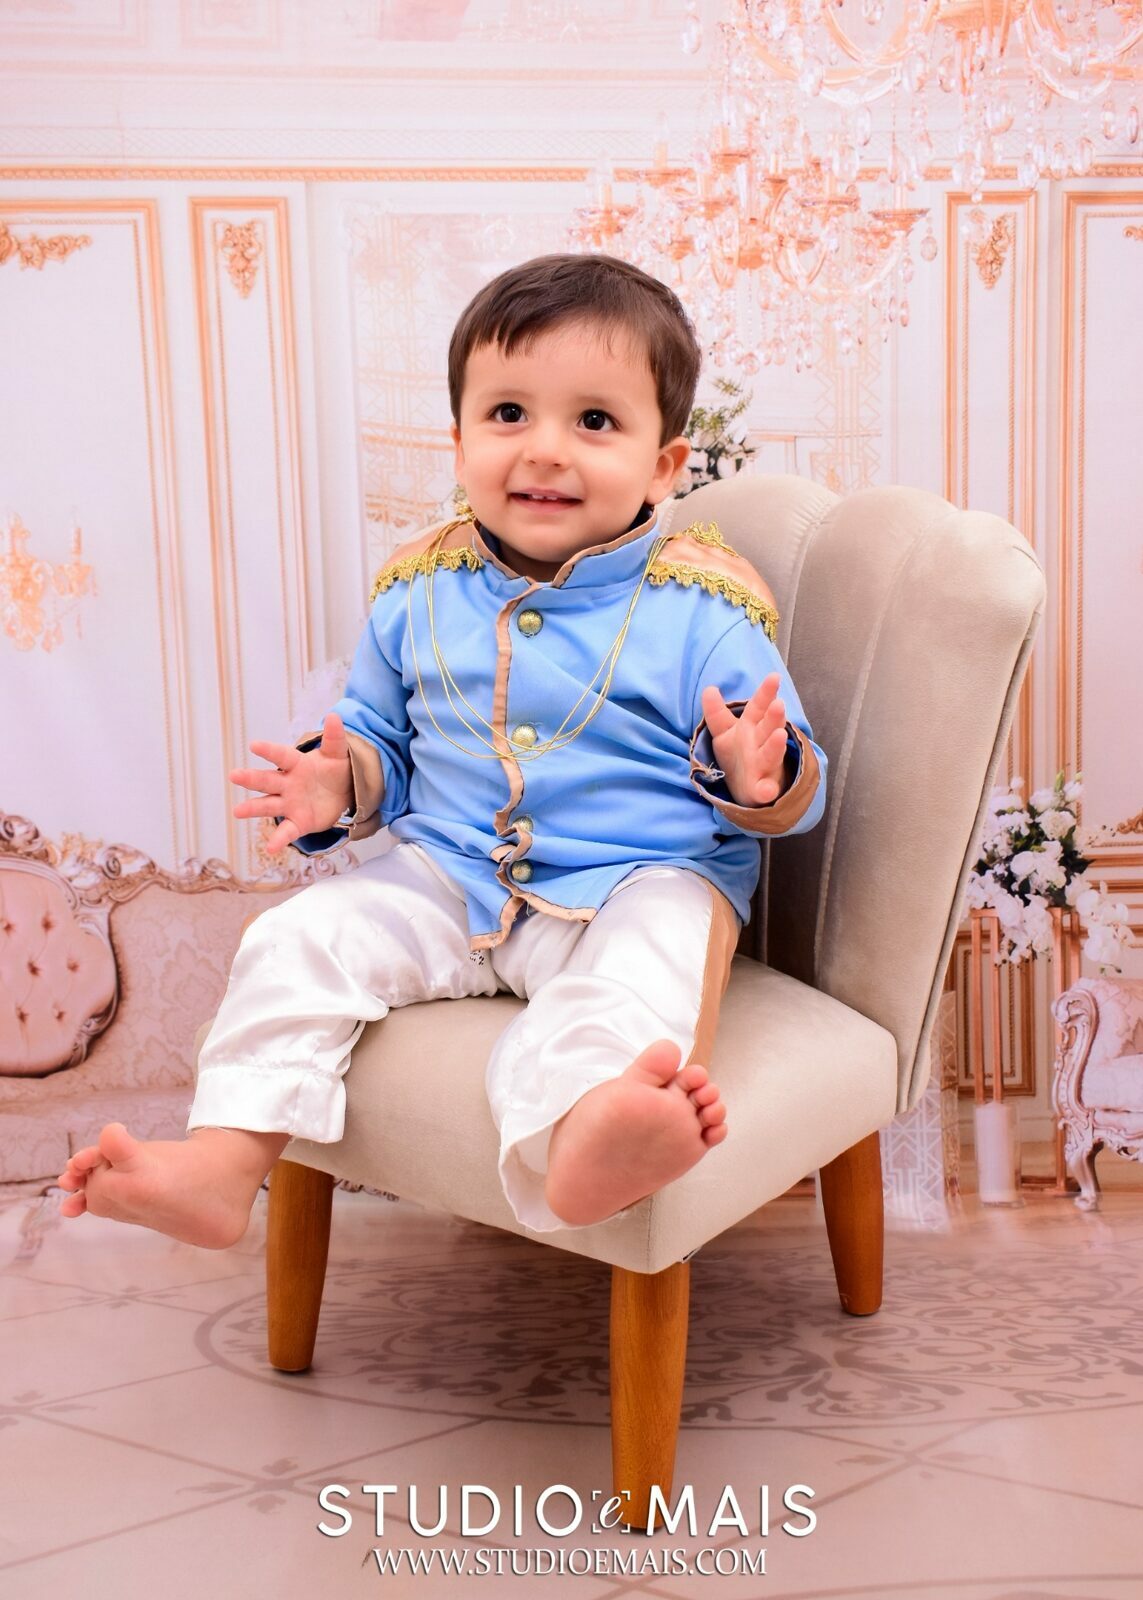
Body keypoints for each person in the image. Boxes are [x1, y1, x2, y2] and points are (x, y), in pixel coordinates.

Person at [56, 253, 827, 1249]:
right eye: (509, 414)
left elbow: (788, 773)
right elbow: (377, 736)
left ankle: (589, 1133)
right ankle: (222, 1163)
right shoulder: (414, 591)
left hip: (635, 878)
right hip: (452, 874)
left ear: (663, 466)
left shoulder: (705, 603)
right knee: (297, 937)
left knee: (650, 959)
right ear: (460, 443)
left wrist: (760, 775)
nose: (544, 450)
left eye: (594, 421)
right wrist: (338, 781)